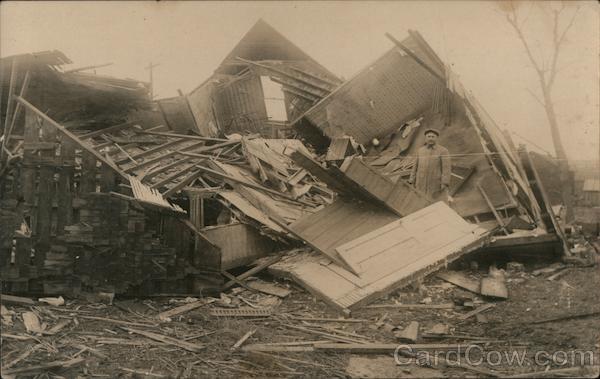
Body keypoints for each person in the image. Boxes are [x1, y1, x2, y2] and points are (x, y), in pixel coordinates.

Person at [408, 128, 451, 199]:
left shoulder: (443, 151)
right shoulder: (420, 150)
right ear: (425, 138)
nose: (430, 138)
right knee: (419, 200)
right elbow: (414, 167)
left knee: (433, 203)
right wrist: (411, 180)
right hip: (420, 182)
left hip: (435, 183)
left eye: (433, 137)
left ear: (437, 138)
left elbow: (446, 169)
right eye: (429, 136)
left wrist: (444, 183)